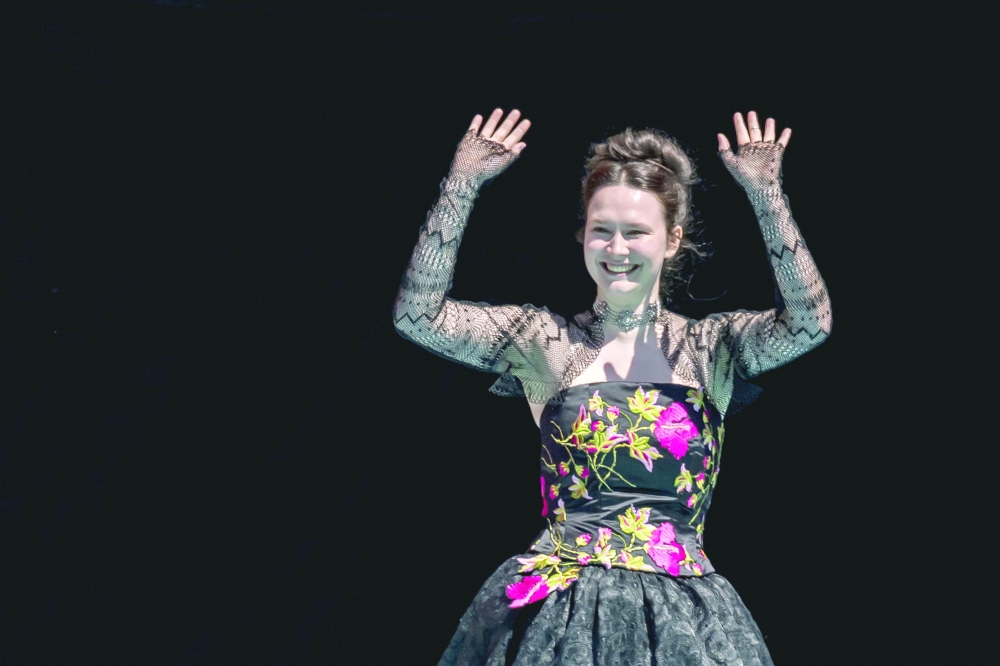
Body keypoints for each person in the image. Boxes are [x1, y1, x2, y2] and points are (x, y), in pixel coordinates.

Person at [393, 107, 831, 665]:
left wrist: (768, 197)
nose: (616, 249)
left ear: (671, 240)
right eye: (602, 230)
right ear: (583, 236)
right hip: (562, 613)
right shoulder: (543, 342)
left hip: (684, 616)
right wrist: (461, 184)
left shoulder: (710, 348)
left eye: (636, 232)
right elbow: (418, 317)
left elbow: (809, 323)